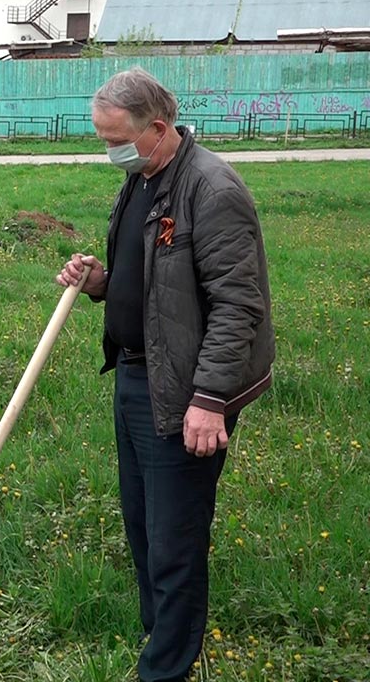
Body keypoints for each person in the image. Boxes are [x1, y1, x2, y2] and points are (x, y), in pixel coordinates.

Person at [55, 67, 274, 682]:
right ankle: (161, 637)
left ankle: (166, 670)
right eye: (102, 138)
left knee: (174, 540)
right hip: (133, 377)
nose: (109, 151)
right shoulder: (142, 179)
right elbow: (154, 281)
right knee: (143, 527)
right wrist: (101, 284)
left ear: (158, 127)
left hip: (184, 390)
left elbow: (238, 306)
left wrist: (209, 399)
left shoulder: (211, 188)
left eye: (115, 138)